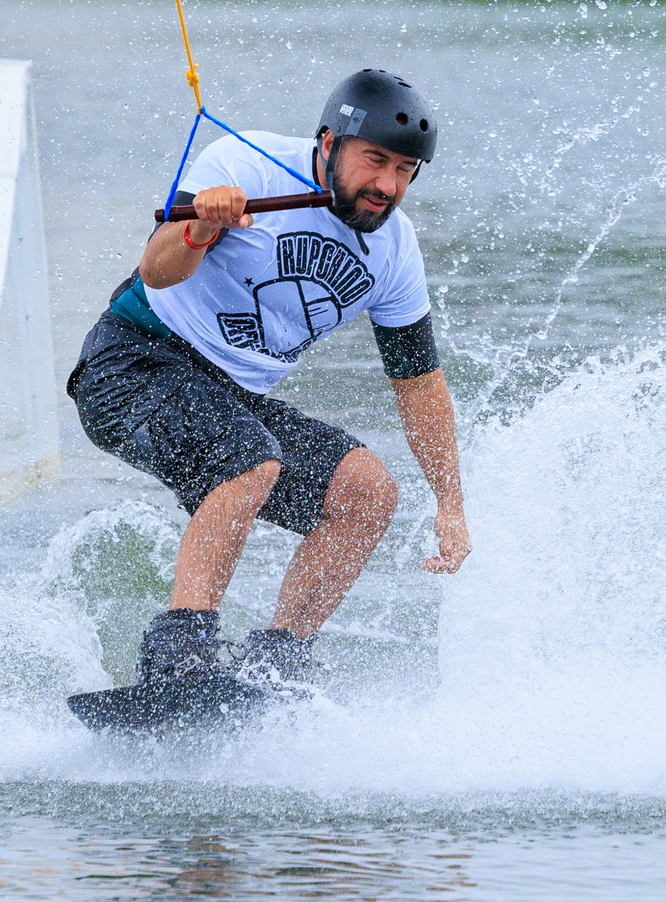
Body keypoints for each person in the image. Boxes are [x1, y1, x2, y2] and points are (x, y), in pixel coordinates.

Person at [67, 70, 472, 691]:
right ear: (329, 143)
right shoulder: (245, 166)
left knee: (367, 493)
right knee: (249, 457)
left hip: (229, 397)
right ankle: (178, 658)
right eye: (375, 161)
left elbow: (419, 383)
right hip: (131, 364)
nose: (388, 186)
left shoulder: (395, 252)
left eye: (405, 170)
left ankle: (275, 667)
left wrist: (450, 503)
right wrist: (201, 228)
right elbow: (156, 269)